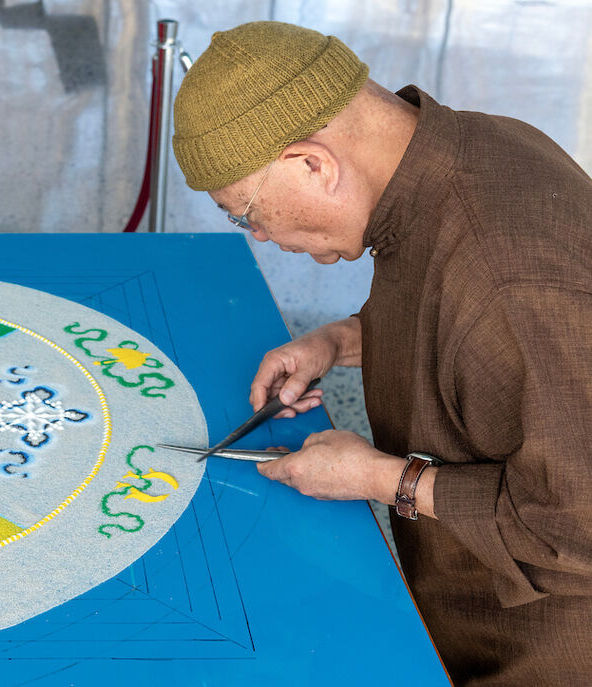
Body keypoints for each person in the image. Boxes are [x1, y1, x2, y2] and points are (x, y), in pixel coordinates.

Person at [171, 20, 592, 685]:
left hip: (533, 648)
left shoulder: (511, 277)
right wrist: (336, 340)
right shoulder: (468, 151)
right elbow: (465, 334)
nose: (257, 234)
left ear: (313, 164)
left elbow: (577, 526)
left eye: (245, 210)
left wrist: (379, 478)